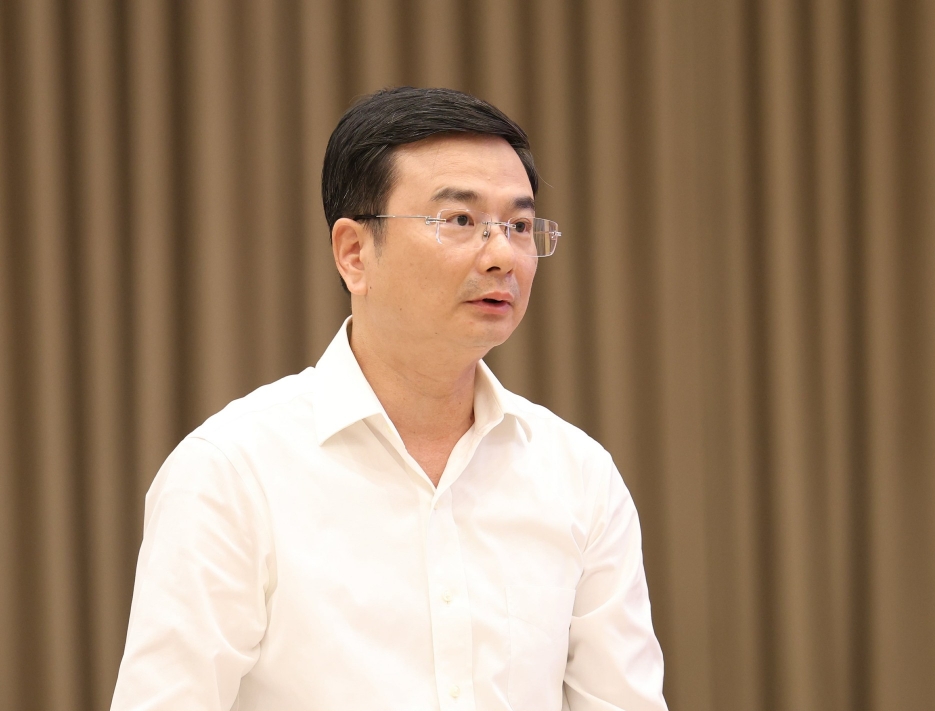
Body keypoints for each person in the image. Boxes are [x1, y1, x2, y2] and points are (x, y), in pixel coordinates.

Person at [111, 86, 668, 711]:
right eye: (460, 221)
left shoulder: (577, 475)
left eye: (517, 226)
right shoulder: (233, 472)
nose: (501, 256)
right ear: (354, 253)